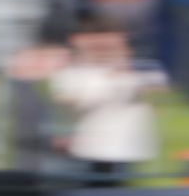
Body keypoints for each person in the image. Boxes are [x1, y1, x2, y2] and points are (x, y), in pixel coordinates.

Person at [51, 24, 161, 185]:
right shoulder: (72, 74)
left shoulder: (135, 73)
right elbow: (72, 102)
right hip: (86, 144)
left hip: (120, 144)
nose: (103, 51)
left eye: (110, 47)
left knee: (114, 182)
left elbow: (153, 89)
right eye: (97, 47)